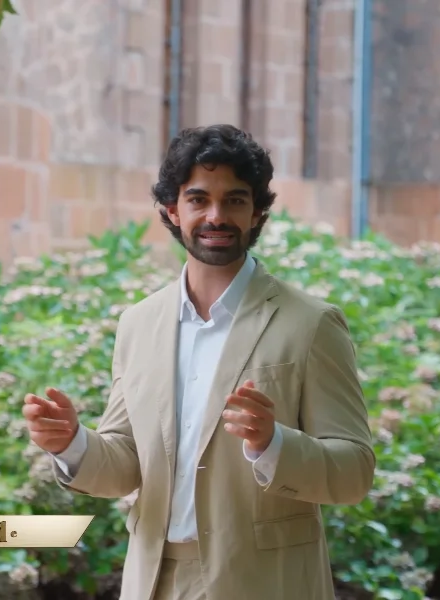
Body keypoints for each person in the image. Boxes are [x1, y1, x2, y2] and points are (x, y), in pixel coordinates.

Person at [22, 124, 374, 600]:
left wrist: (272, 443)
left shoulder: (312, 324)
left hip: (264, 584)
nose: (216, 216)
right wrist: (72, 443)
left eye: (234, 200)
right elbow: (127, 463)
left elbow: (355, 473)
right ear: (173, 210)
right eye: (198, 199)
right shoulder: (138, 323)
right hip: (152, 581)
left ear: (257, 211)